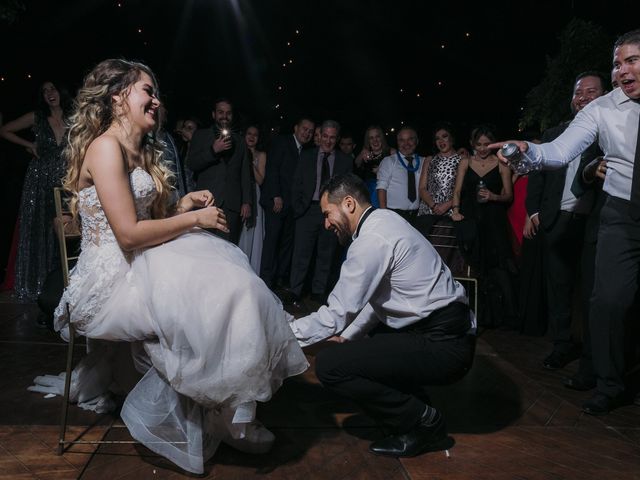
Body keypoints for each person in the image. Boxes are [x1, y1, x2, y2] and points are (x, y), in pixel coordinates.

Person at [48, 59, 308, 474]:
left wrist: (181, 205)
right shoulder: (105, 147)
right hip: (110, 282)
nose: (155, 100)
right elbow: (130, 234)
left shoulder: (139, 149)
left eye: (154, 92)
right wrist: (193, 219)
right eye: (146, 91)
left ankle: (230, 409)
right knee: (209, 298)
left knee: (234, 284)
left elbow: (144, 216)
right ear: (118, 98)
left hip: (140, 262)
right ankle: (219, 411)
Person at [491, 29, 640, 415]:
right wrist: (530, 151)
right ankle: (610, 384)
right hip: (621, 214)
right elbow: (559, 150)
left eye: (631, 61)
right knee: (607, 301)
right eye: (617, 63)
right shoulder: (601, 109)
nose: (622, 70)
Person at [289, 173, 475, 457]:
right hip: (446, 335)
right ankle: (416, 403)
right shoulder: (385, 220)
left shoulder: (371, 240)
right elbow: (377, 303)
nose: (326, 224)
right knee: (359, 346)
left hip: (444, 344)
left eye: (328, 214)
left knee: (329, 365)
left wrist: (283, 333)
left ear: (348, 204)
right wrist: (347, 338)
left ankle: (424, 422)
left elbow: (334, 316)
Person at [526, 72, 606, 375]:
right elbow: (538, 173)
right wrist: (532, 212)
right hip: (556, 221)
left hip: (593, 224)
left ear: (605, 95)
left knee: (591, 292)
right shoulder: (554, 134)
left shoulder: (609, 135)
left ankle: (591, 353)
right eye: (578, 92)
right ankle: (562, 345)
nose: (583, 97)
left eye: (591, 91)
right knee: (558, 288)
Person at [0, 80, 71, 301]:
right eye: (45, 91)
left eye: (53, 88)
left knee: (66, 228)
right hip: (39, 179)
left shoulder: (75, 115)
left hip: (67, 177)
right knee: (40, 228)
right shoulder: (36, 117)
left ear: (62, 90)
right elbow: (4, 130)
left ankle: (67, 281)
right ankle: (37, 284)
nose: (50, 93)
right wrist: (28, 145)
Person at [451, 126, 515, 327]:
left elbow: (508, 195)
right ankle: (478, 315)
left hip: (494, 220)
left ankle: (502, 317)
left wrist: (494, 196)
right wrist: (455, 209)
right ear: (472, 144)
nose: (482, 148)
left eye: (486, 144)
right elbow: (458, 190)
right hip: (471, 220)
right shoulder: (465, 162)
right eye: (478, 144)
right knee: (475, 268)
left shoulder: (501, 163)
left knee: (497, 267)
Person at [288, 120, 352, 304]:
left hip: (331, 213)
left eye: (333, 137)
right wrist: (299, 208)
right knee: (301, 253)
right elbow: (297, 183)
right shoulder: (307, 155)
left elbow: (346, 189)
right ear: (320, 135)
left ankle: (318, 292)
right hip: (307, 210)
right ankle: (295, 291)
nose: (328, 141)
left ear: (337, 139)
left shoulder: (344, 161)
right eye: (325, 136)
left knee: (326, 253)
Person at [186, 98, 252, 244]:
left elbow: (245, 172)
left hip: (231, 205)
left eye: (228, 113)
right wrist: (213, 150)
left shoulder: (240, 141)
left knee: (227, 251)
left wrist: (246, 201)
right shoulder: (200, 135)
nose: (224, 116)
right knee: (203, 247)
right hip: (206, 202)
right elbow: (192, 164)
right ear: (213, 114)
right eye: (221, 112)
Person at [260, 117, 315, 289]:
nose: (307, 133)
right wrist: (276, 195)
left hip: (292, 206)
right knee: (272, 243)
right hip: (277, 203)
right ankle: (265, 281)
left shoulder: (307, 150)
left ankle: (278, 279)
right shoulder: (281, 142)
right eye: (304, 129)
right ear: (296, 127)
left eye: (310, 131)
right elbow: (272, 169)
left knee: (286, 245)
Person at [415, 124, 463, 237]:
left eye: (444, 136)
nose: (441, 141)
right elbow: (422, 188)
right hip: (428, 211)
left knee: (447, 250)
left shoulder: (463, 160)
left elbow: (463, 190)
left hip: (451, 212)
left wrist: (447, 205)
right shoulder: (429, 160)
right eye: (437, 138)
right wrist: (434, 206)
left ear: (452, 138)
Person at [376, 126, 423, 226]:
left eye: (410, 139)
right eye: (401, 140)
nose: (406, 144)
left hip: (417, 215)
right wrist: (384, 215)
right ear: (397, 142)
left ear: (417, 141)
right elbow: (381, 188)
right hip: (394, 214)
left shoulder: (424, 161)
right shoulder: (389, 161)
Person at [238, 124, 266, 273]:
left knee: (252, 231)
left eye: (255, 134)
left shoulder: (261, 155)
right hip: (240, 193)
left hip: (255, 194)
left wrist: (249, 160)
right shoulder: (238, 150)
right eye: (249, 133)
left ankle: (251, 269)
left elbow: (261, 180)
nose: (251, 137)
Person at [354, 125, 396, 208]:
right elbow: (355, 165)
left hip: (388, 195)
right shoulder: (365, 153)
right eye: (371, 138)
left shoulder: (391, 152)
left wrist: (382, 171)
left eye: (377, 136)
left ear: (382, 138)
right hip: (367, 197)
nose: (375, 140)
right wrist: (362, 153)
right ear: (368, 141)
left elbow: (399, 173)